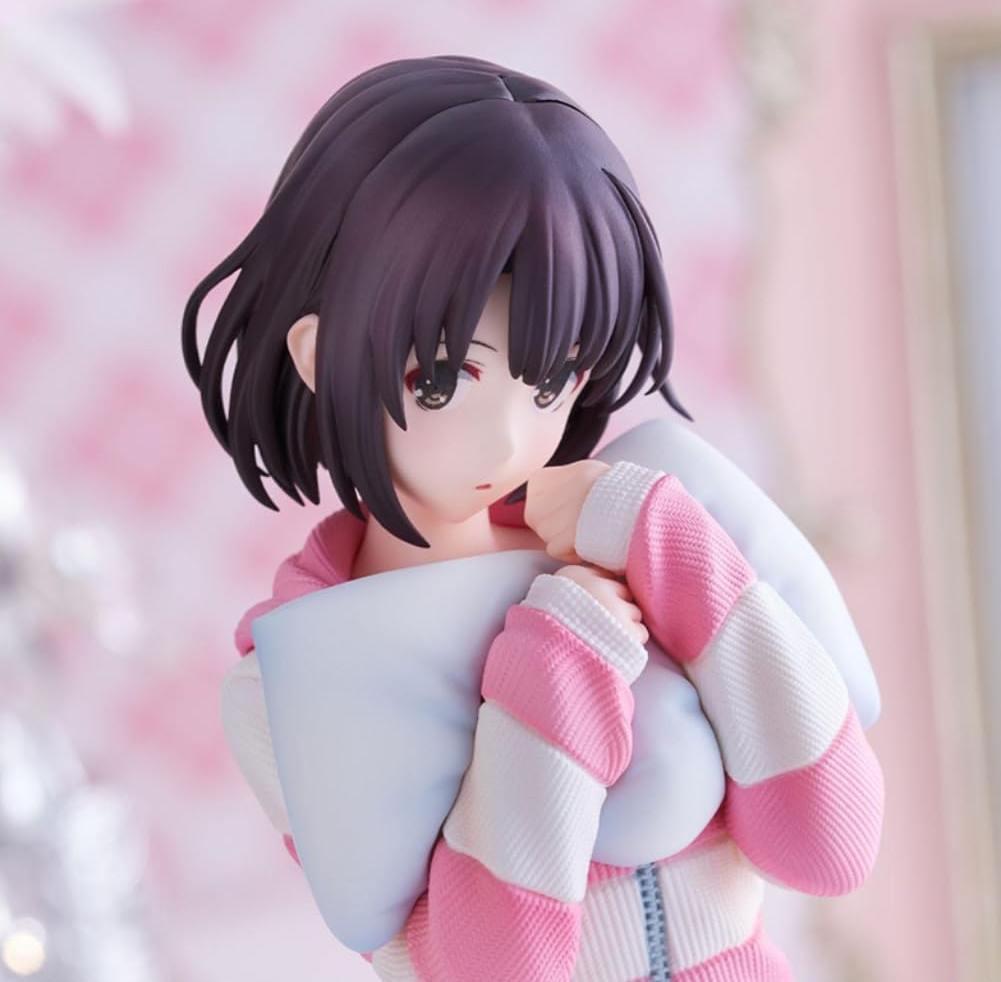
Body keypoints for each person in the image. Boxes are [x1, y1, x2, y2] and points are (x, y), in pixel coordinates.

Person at [182, 55, 884, 982]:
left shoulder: (635, 523)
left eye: (550, 378)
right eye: (441, 378)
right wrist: (558, 672)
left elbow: (828, 842)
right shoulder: (293, 678)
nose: (510, 437)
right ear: (321, 353)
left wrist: (675, 553)